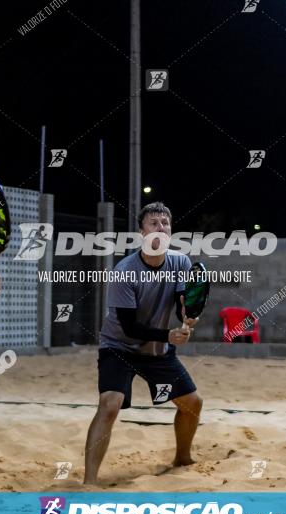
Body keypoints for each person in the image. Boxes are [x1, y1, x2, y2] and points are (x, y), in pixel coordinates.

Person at [83, 202, 202, 484]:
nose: (160, 227)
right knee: (110, 403)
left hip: (157, 350)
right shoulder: (125, 271)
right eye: (153, 223)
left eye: (165, 223)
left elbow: (181, 305)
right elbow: (129, 326)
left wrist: (187, 316)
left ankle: (182, 458)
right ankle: (89, 482)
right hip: (119, 346)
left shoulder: (181, 263)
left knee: (192, 404)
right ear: (141, 233)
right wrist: (168, 335)